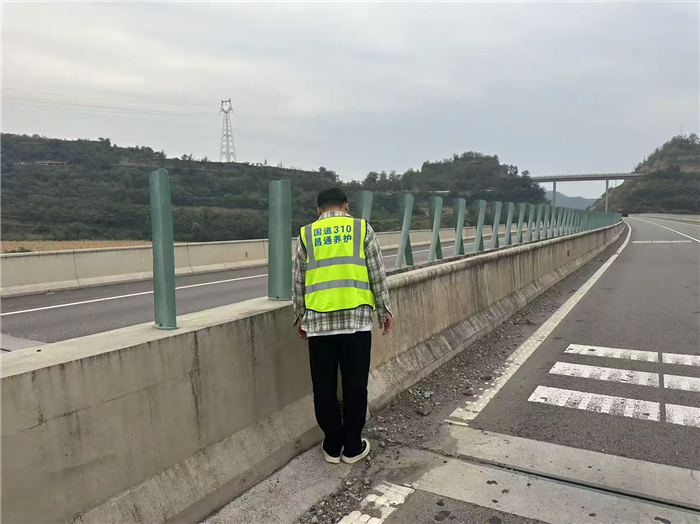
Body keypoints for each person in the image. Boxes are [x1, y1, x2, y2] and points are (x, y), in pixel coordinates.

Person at [293, 187, 393, 465]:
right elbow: (376, 273)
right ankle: (352, 447)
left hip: (319, 323)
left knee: (323, 386)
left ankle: (332, 445)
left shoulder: (307, 234)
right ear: (346, 206)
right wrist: (384, 310)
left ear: (319, 210)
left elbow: (299, 280)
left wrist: (300, 315)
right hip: (356, 322)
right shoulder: (362, 229)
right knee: (355, 384)